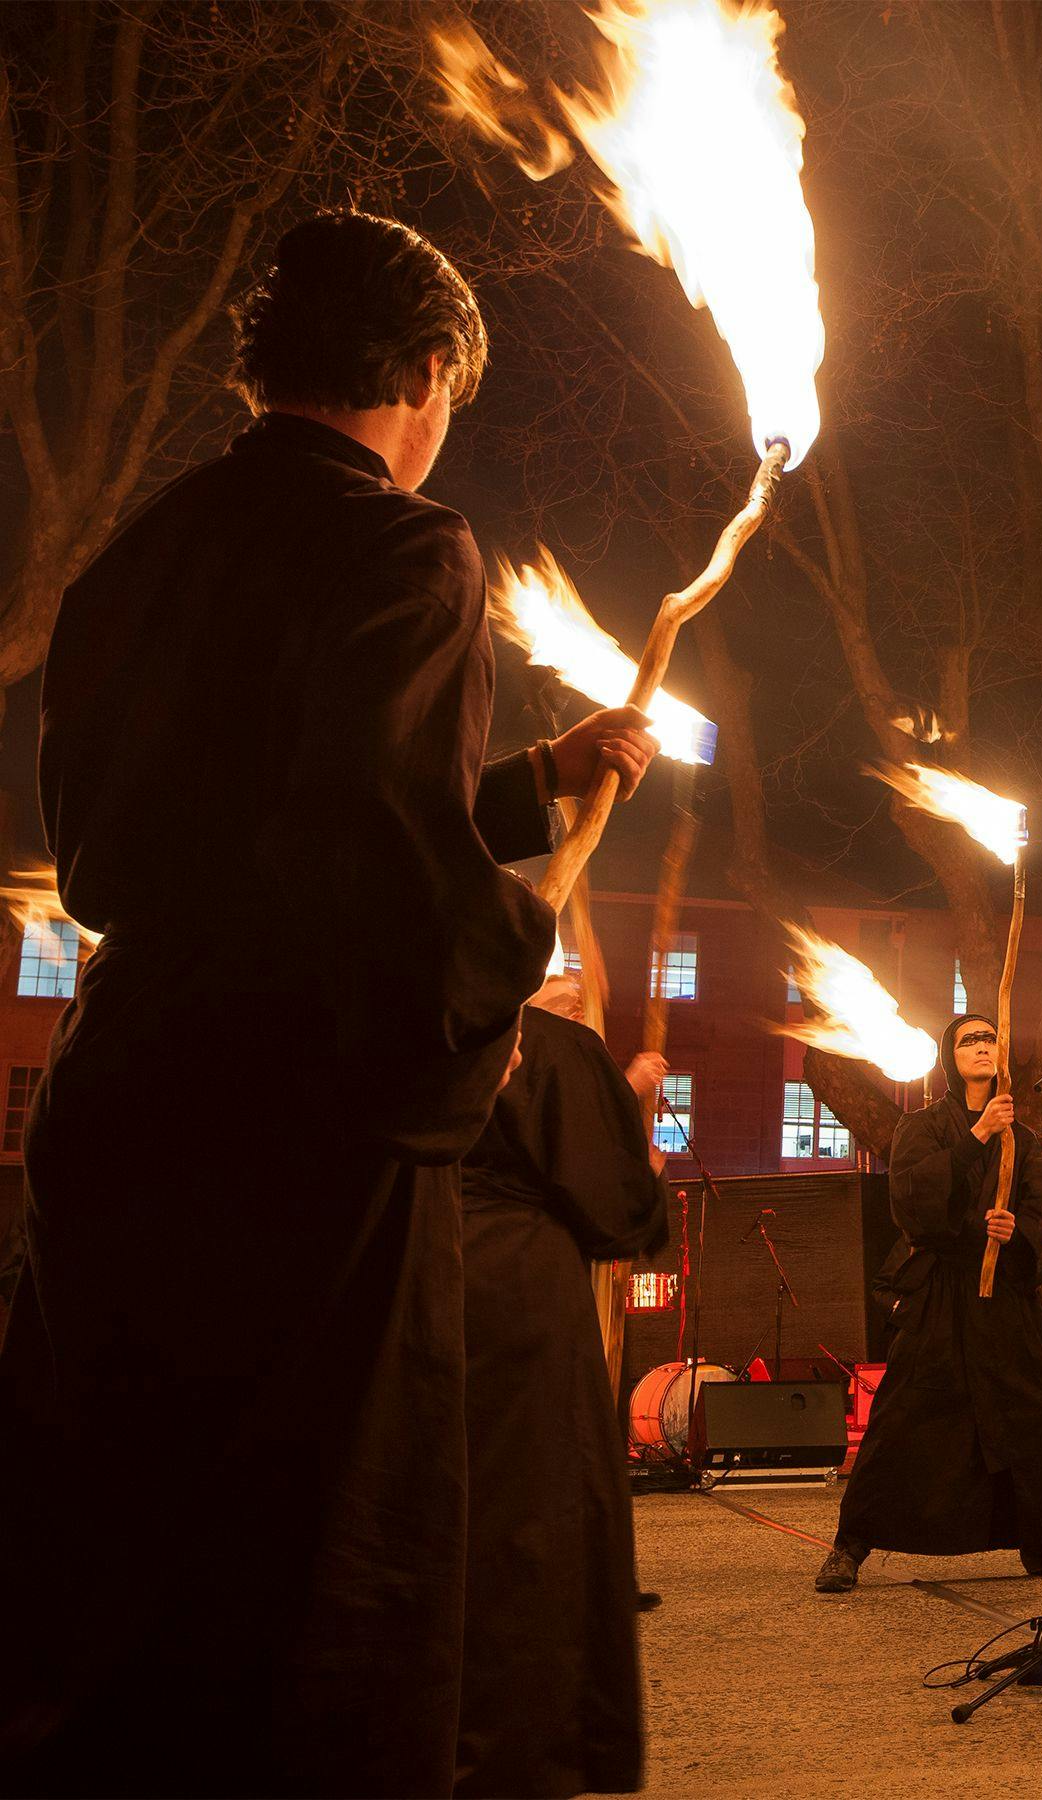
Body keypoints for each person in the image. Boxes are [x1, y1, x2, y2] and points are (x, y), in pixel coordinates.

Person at [0, 210, 656, 1796]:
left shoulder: (140, 555)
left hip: (126, 1094)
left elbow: (181, 834)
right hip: (294, 1139)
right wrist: (525, 918)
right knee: (312, 1569)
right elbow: (368, 876)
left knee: (118, 1548)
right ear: (428, 376)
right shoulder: (403, 546)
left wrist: (521, 788)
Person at [455, 975, 669, 1798]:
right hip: (517, 1292)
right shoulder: (544, 1046)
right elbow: (610, 1207)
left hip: (409, 1270)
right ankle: (524, 1748)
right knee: (531, 1506)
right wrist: (642, 1176)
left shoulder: (394, 1018)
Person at [815, 1013, 1042, 1593]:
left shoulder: (1028, 1139)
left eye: (990, 1038)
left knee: (1034, 1415)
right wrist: (976, 1137)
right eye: (969, 1040)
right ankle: (851, 1544)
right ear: (950, 1057)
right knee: (904, 1416)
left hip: (1006, 1296)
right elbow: (910, 1200)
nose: (982, 1047)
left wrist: (1016, 1232)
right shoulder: (922, 1127)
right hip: (943, 1292)